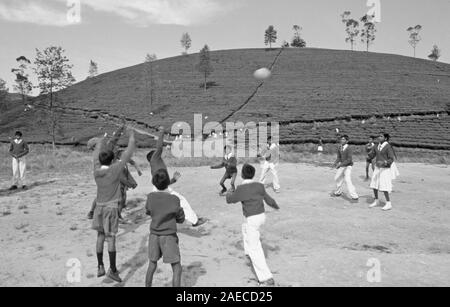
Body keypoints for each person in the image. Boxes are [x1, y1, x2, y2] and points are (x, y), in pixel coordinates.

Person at [91, 128, 136, 283]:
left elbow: (97, 152)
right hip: (111, 209)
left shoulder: (96, 170)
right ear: (112, 160)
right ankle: (113, 270)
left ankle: (100, 266)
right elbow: (128, 152)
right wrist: (131, 136)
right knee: (111, 239)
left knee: (100, 236)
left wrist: (102, 140)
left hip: (99, 208)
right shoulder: (115, 170)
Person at [226, 164, 280, 286]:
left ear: (242, 175)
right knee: (244, 227)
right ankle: (248, 252)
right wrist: (276, 206)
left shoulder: (241, 188)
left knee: (255, 248)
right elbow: (268, 199)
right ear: (253, 174)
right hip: (261, 216)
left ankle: (266, 278)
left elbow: (230, 200)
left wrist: (230, 192)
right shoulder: (259, 186)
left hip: (252, 219)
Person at [147, 127, 207, 228]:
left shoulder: (156, 165)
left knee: (167, 205)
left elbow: (161, 182)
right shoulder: (154, 160)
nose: (159, 154)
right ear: (153, 157)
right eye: (156, 154)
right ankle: (195, 221)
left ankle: (164, 222)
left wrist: (173, 180)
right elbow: (159, 148)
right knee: (181, 201)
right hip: (163, 190)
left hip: (160, 189)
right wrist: (161, 132)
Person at [145, 169, 185, 287]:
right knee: (177, 268)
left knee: (152, 265)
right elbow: (180, 219)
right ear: (168, 181)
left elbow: (148, 211)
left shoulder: (150, 197)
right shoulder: (174, 199)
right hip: (168, 237)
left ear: (154, 182)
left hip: (154, 235)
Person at [368, 133, 396, 211]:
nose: (379, 137)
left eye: (381, 136)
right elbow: (372, 154)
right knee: (374, 184)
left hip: (385, 168)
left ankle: (388, 203)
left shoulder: (388, 147)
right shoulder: (376, 145)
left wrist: (384, 163)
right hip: (377, 167)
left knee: (384, 186)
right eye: (378, 136)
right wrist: (369, 153)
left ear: (385, 138)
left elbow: (391, 158)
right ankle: (376, 200)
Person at [332, 135, 359, 201]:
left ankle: (354, 195)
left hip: (348, 166)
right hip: (342, 165)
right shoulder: (339, 147)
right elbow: (339, 157)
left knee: (347, 179)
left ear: (347, 141)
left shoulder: (349, 148)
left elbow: (349, 160)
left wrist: (340, 164)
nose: (342, 140)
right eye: (341, 139)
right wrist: (335, 162)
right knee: (337, 178)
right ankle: (338, 192)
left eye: (344, 139)